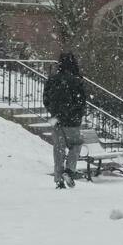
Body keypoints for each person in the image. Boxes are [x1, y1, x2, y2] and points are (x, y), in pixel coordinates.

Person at [42, 52, 89, 189]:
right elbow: (81, 101)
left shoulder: (52, 80)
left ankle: (58, 179)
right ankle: (69, 170)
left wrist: (54, 112)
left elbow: (46, 99)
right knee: (76, 145)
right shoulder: (76, 81)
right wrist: (76, 113)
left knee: (58, 149)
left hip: (57, 120)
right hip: (72, 121)